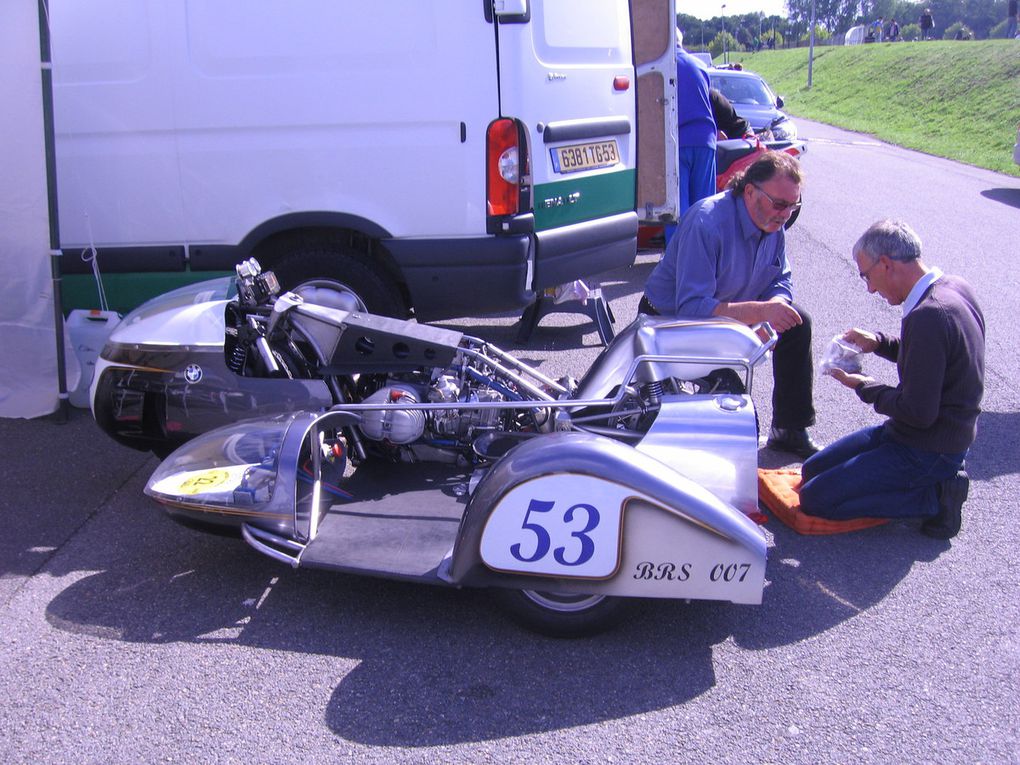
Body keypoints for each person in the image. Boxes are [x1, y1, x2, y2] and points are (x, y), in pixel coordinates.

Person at [799, 220, 985, 539]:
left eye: (866, 276)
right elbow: (932, 358)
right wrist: (879, 342)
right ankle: (925, 485)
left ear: (886, 263)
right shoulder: (951, 289)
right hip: (913, 433)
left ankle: (936, 496)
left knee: (815, 499)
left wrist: (861, 384)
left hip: (929, 448)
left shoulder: (929, 315)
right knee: (811, 470)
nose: (870, 288)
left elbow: (917, 412)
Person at [640, 151, 821, 458]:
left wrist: (776, 307)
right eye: (780, 204)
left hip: (727, 318)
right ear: (750, 191)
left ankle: (790, 429)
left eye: (794, 206)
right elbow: (692, 309)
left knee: (796, 323)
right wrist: (762, 312)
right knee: (729, 393)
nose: (786, 214)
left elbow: (781, 280)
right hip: (670, 324)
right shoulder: (707, 221)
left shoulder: (774, 223)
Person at [666, 29, 717, 244]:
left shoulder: (665, 65)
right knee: (704, 207)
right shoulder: (700, 65)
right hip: (706, 139)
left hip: (678, 141)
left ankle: (676, 264)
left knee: (677, 209)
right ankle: (704, 259)